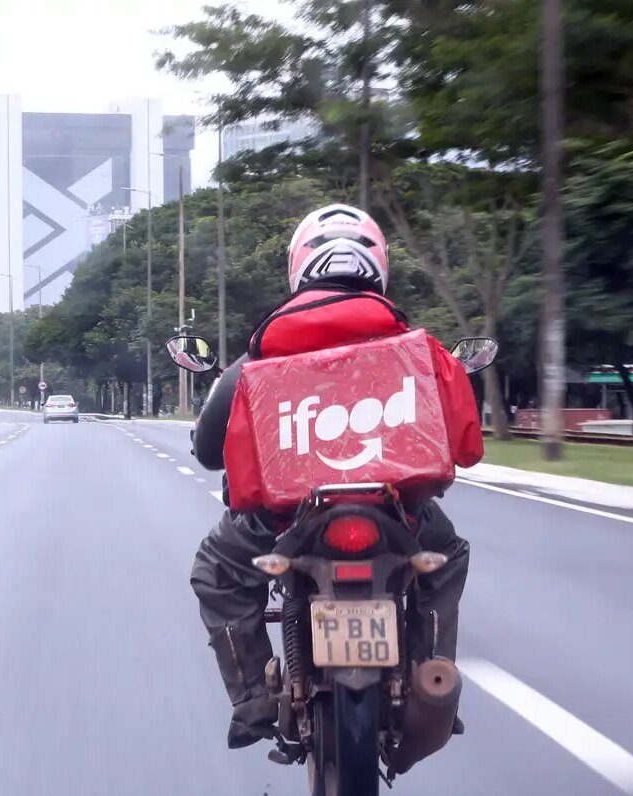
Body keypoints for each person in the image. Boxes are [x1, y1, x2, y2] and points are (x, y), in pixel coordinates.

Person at [189, 203, 484, 753]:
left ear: (299, 267)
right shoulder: (420, 349)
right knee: (447, 561)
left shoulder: (257, 355)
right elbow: (466, 446)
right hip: (400, 515)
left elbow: (209, 452)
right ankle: (431, 679)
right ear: (380, 269)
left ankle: (254, 697)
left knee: (217, 571)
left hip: (284, 518)